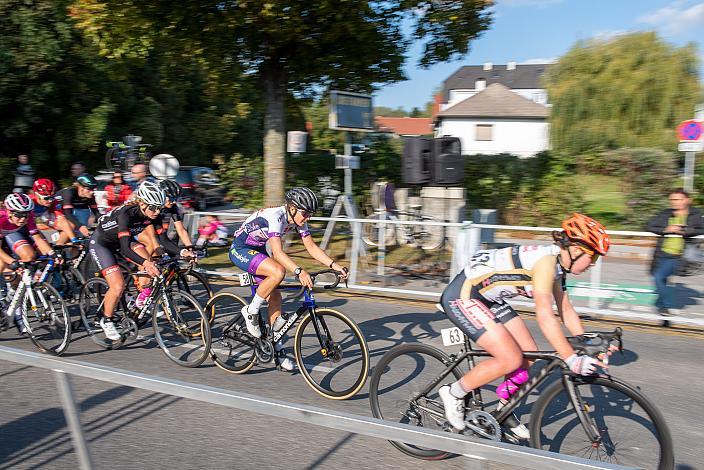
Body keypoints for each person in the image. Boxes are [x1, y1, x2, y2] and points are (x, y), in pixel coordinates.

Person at [437, 213, 610, 438]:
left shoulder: (558, 266)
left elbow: (566, 310)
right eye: (593, 257)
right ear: (577, 250)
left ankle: (505, 410)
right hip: (464, 295)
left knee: (530, 355)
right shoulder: (546, 265)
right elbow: (545, 316)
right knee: (510, 358)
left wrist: (587, 342)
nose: (593, 264)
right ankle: (453, 393)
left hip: (489, 297)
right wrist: (571, 358)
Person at [228, 187, 349, 371]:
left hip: (258, 250)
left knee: (276, 296)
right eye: (305, 213)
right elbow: (277, 252)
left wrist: (335, 265)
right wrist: (299, 271)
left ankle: (277, 350)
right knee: (278, 271)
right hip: (241, 249)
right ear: (292, 208)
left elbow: (311, 247)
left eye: (310, 213)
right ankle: (250, 312)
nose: (308, 217)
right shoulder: (275, 216)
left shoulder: (299, 219)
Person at [88, 181, 173, 340]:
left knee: (150, 261)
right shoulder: (126, 214)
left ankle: (141, 299)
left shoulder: (153, 214)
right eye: (153, 207)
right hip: (102, 244)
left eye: (159, 207)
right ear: (141, 203)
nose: (156, 212)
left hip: (122, 242)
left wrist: (182, 251)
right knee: (118, 285)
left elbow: (164, 241)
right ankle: (106, 320)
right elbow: (126, 249)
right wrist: (146, 264)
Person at [0, 193, 57, 332]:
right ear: (9, 211)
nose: (23, 219)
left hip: (9, 237)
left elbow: (37, 238)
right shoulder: (1, 219)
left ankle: (15, 308)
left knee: (21, 274)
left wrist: (52, 254)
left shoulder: (27, 217)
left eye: (26, 215)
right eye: (19, 215)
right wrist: (13, 262)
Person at [646, 188, 704, 316]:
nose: (675, 202)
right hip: (662, 253)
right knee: (662, 280)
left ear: (688, 200)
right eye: (672, 199)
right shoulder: (665, 213)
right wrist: (666, 229)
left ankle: (667, 306)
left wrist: (685, 231)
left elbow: (702, 229)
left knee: (658, 277)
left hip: (679, 256)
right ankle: (663, 310)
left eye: (678, 199)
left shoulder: (695, 214)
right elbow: (649, 226)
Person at [29, 178, 80, 245]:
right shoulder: (30, 201)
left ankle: (59, 246)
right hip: (30, 224)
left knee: (71, 225)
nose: (50, 201)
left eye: (52, 197)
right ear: (36, 195)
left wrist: (73, 239)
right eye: (46, 198)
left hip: (44, 220)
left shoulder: (54, 202)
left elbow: (61, 219)